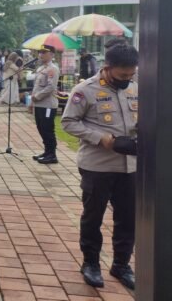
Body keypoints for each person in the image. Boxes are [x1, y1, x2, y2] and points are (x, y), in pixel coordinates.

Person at [62, 43, 138, 290]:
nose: (128, 79)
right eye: (123, 75)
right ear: (108, 67)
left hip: (130, 167)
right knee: (93, 217)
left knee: (127, 219)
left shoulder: (136, 88)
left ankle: (121, 265)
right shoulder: (86, 90)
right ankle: (91, 263)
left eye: (131, 74)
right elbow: (69, 123)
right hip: (98, 166)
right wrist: (102, 138)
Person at [31, 45, 61, 164]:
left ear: (52, 54)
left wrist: (37, 97)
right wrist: (32, 102)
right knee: (41, 128)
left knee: (48, 129)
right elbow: (36, 87)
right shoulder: (41, 69)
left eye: (44, 52)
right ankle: (47, 151)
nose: (41, 54)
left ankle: (52, 155)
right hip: (39, 104)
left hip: (48, 104)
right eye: (40, 52)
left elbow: (51, 87)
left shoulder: (52, 69)